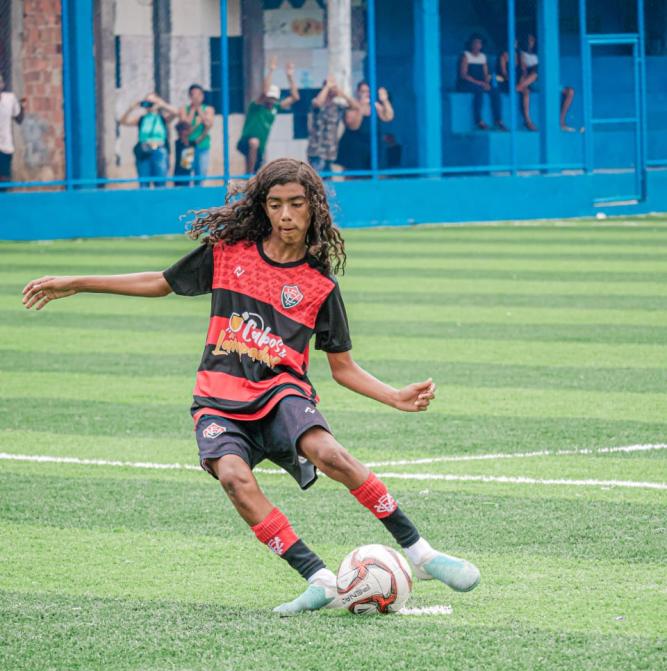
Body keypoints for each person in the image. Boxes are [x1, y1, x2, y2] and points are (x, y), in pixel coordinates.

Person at [22, 158, 480, 616]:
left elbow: (342, 367)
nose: (285, 215)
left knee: (331, 453)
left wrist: (394, 395)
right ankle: (319, 578)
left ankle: (421, 554)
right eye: (275, 204)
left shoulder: (319, 285)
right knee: (234, 480)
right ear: (263, 208)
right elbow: (160, 283)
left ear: (312, 208)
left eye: (296, 204)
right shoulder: (227, 253)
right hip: (217, 398)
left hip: (282, 392)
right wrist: (77, 283)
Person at [237, 57, 300, 174]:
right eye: (269, 98)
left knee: (258, 164)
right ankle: (248, 175)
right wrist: (271, 70)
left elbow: (295, 97)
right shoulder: (256, 106)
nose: (270, 101)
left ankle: (251, 176)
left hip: (260, 146)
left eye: (273, 99)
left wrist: (290, 77)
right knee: (253, 143)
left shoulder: (275, 108)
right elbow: (264, 92)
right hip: (246, 140)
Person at [512, 34, 576, 132]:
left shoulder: (539, 53)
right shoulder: (521, 53)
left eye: (533, 40)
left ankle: (561, 122)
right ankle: (520, 88)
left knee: (570, 91)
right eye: (529, 40)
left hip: (545, 82)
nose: (531, 42)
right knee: (537, 69)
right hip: (531, 82)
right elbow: (522, 69)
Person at [119, 92, 178, 187]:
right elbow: (123, 121)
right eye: (148, 102)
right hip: (144, 151)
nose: (150, 104)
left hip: (159, 150)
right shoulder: (142, 119)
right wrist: (131, 108)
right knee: (144, 182)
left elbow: (176, 113)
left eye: (152, 102)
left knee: (160, 182)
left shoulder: (162, 118)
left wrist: (162, 104)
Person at [337, 81, 394, 175]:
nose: (366, 94)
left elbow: (388, 117)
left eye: (368, 91)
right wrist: (361, 107)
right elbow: (354, 126)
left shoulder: (375, 106)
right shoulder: (352, 106)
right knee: (353, 178)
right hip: (354, 149)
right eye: (363, 91)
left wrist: (385, 100)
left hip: (371, 148)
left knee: (374, 176)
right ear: (358, 92)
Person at [306, 76, 359, 175]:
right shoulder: (316, 101)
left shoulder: (337, 106)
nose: (332, 90)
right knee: (317, 180)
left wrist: (341, 93)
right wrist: (327, 87)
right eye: (330, 87)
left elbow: (355, 106)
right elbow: (318, 103)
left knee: (328, 183)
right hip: (316, 150)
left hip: (330, 150)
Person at [457, 35, 507, 131]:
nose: (477, 45)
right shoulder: (465, 55)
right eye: (475, 43)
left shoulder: (483, 56)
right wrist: (479, 83)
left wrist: (487, 83)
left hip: (479, 83)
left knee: (495, 91)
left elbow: (485, 74)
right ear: (471, 44)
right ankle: (478, 120)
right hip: (465, 83)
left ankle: (498, 120)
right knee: (479, 91)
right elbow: (463, 75)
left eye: (479, 43)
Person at [178, 84, 214, 183]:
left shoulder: (208, 109)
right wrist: (193, 111)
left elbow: (208, 124)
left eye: (199, 94)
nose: (196, 97)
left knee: (201, 174)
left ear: (202, 96)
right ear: (190, 96)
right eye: (193, 94)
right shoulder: (184, 109)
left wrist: (199, 111)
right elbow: (185, 127)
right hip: (187, 146)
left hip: (202, 146)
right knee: (186, 174)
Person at [0, 72, 26, 189]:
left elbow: (19, 118)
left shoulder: (9, 99)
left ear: (2, 85)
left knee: (5, 180)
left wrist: (22, 106)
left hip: (5, 147)